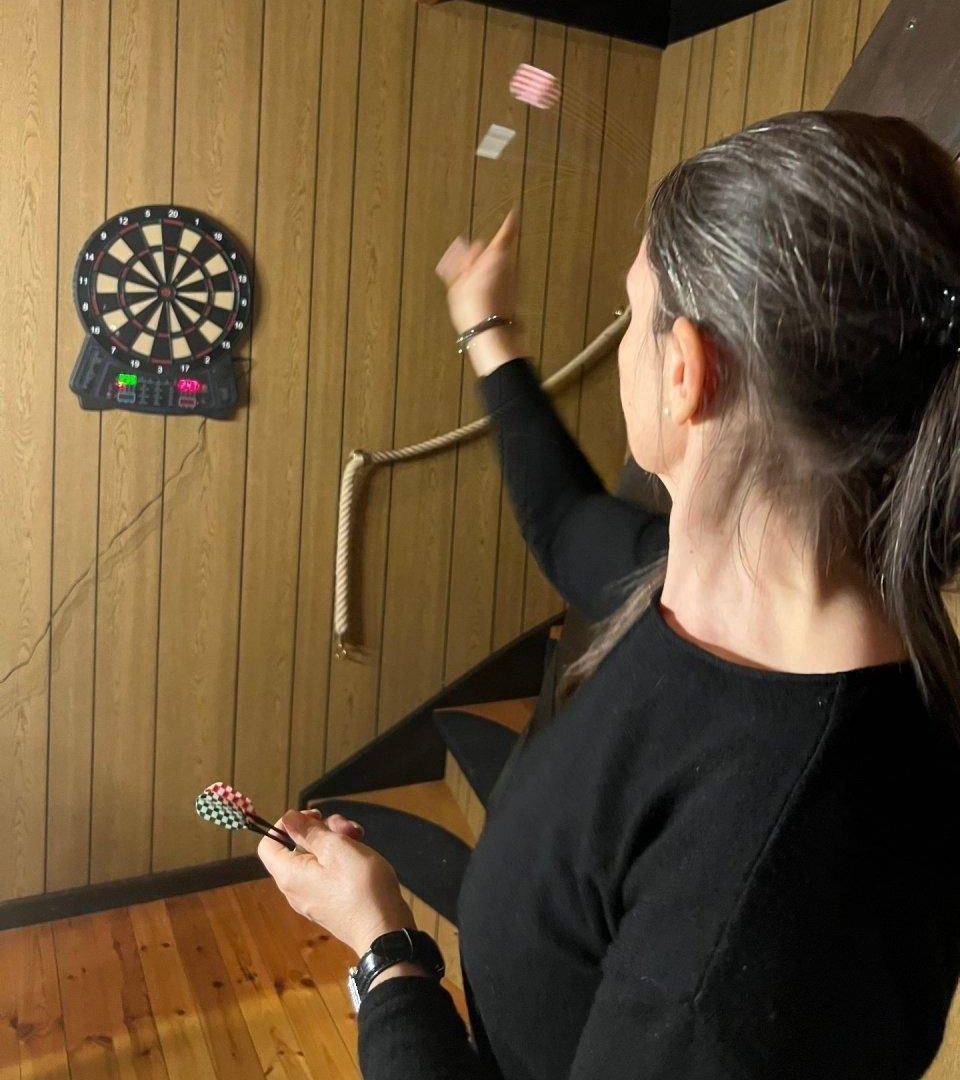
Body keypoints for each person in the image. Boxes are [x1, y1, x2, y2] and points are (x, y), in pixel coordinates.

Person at [260, 110, 960, 1079]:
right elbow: (562, 519)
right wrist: (485, 327)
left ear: (685, 371)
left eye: (634, 315)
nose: (629, 338)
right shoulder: (707, 596)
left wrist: (384, 950)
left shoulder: (769, 893)